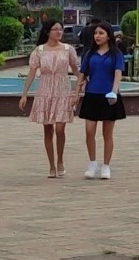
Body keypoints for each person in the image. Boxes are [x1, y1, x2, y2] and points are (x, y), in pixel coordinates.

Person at [19, 19, 80, 178]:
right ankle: (51, 165)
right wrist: (24, 94)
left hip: (62, 90)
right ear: (48, 32)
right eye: (55, 29)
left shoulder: (68, 50)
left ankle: (60, 160)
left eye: (61, 29)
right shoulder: (39, 51)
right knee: (47, 130)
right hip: (45, 91)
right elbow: (32, 72)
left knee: (60, 128)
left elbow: (76, 70)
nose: (59, 32)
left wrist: (79, 90)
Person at [73, 21, 126, 180]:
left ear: (108, 35)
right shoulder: (89, 54)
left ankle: (106, 166)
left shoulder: (116, 54)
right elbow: (82, 74)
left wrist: (114, 92)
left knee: (107, 134)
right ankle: (92, 163)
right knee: (89, 132)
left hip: (109, 96)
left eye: (101, 33)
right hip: (92, 95)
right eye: (96, 33)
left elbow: (118, 74)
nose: (97, 36)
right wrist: (76, 94)